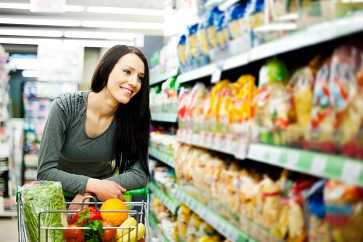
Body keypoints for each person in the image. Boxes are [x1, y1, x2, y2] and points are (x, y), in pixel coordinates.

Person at [37, 45, 150, 206]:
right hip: (55, 203)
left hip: (99, 202)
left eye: (140, 77)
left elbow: (140, 174)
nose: (134, 82)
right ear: (106, 69)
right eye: (127, 72)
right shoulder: (65, 107)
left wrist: (91, 192)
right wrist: (95, 185)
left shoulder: (133, 118)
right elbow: (45, 172)